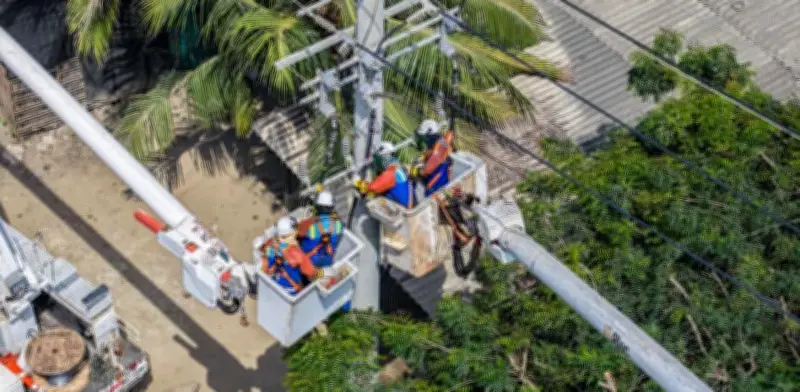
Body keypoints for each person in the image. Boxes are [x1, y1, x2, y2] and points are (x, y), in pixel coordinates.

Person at [259, 217, 324, 295]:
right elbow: (311, 273)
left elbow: (264, 253)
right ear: (293, 233)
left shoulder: (270, 246)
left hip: (275, 285)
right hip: (291, 290)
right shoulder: (297, 254)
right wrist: (322, 273)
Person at [353, 142, 415, 208]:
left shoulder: (391, 172)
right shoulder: (398, 168)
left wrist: (359, 183)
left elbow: (374, 187)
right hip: (406, 205)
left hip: (403, 210)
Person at [297, 190, 344, 268]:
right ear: (331, 207)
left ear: (317, 207)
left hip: (309, 263)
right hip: (328, 262)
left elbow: (296, 234)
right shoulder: (339, 224)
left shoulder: (308, 223)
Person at [413, 119, 455, 196]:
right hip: (443, 180)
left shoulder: (436, 152)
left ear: (430, 135)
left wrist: (418, 168)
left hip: (434, 187)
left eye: (425, 136)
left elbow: (424, 172)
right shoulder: (441, 142)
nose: (424, 139)